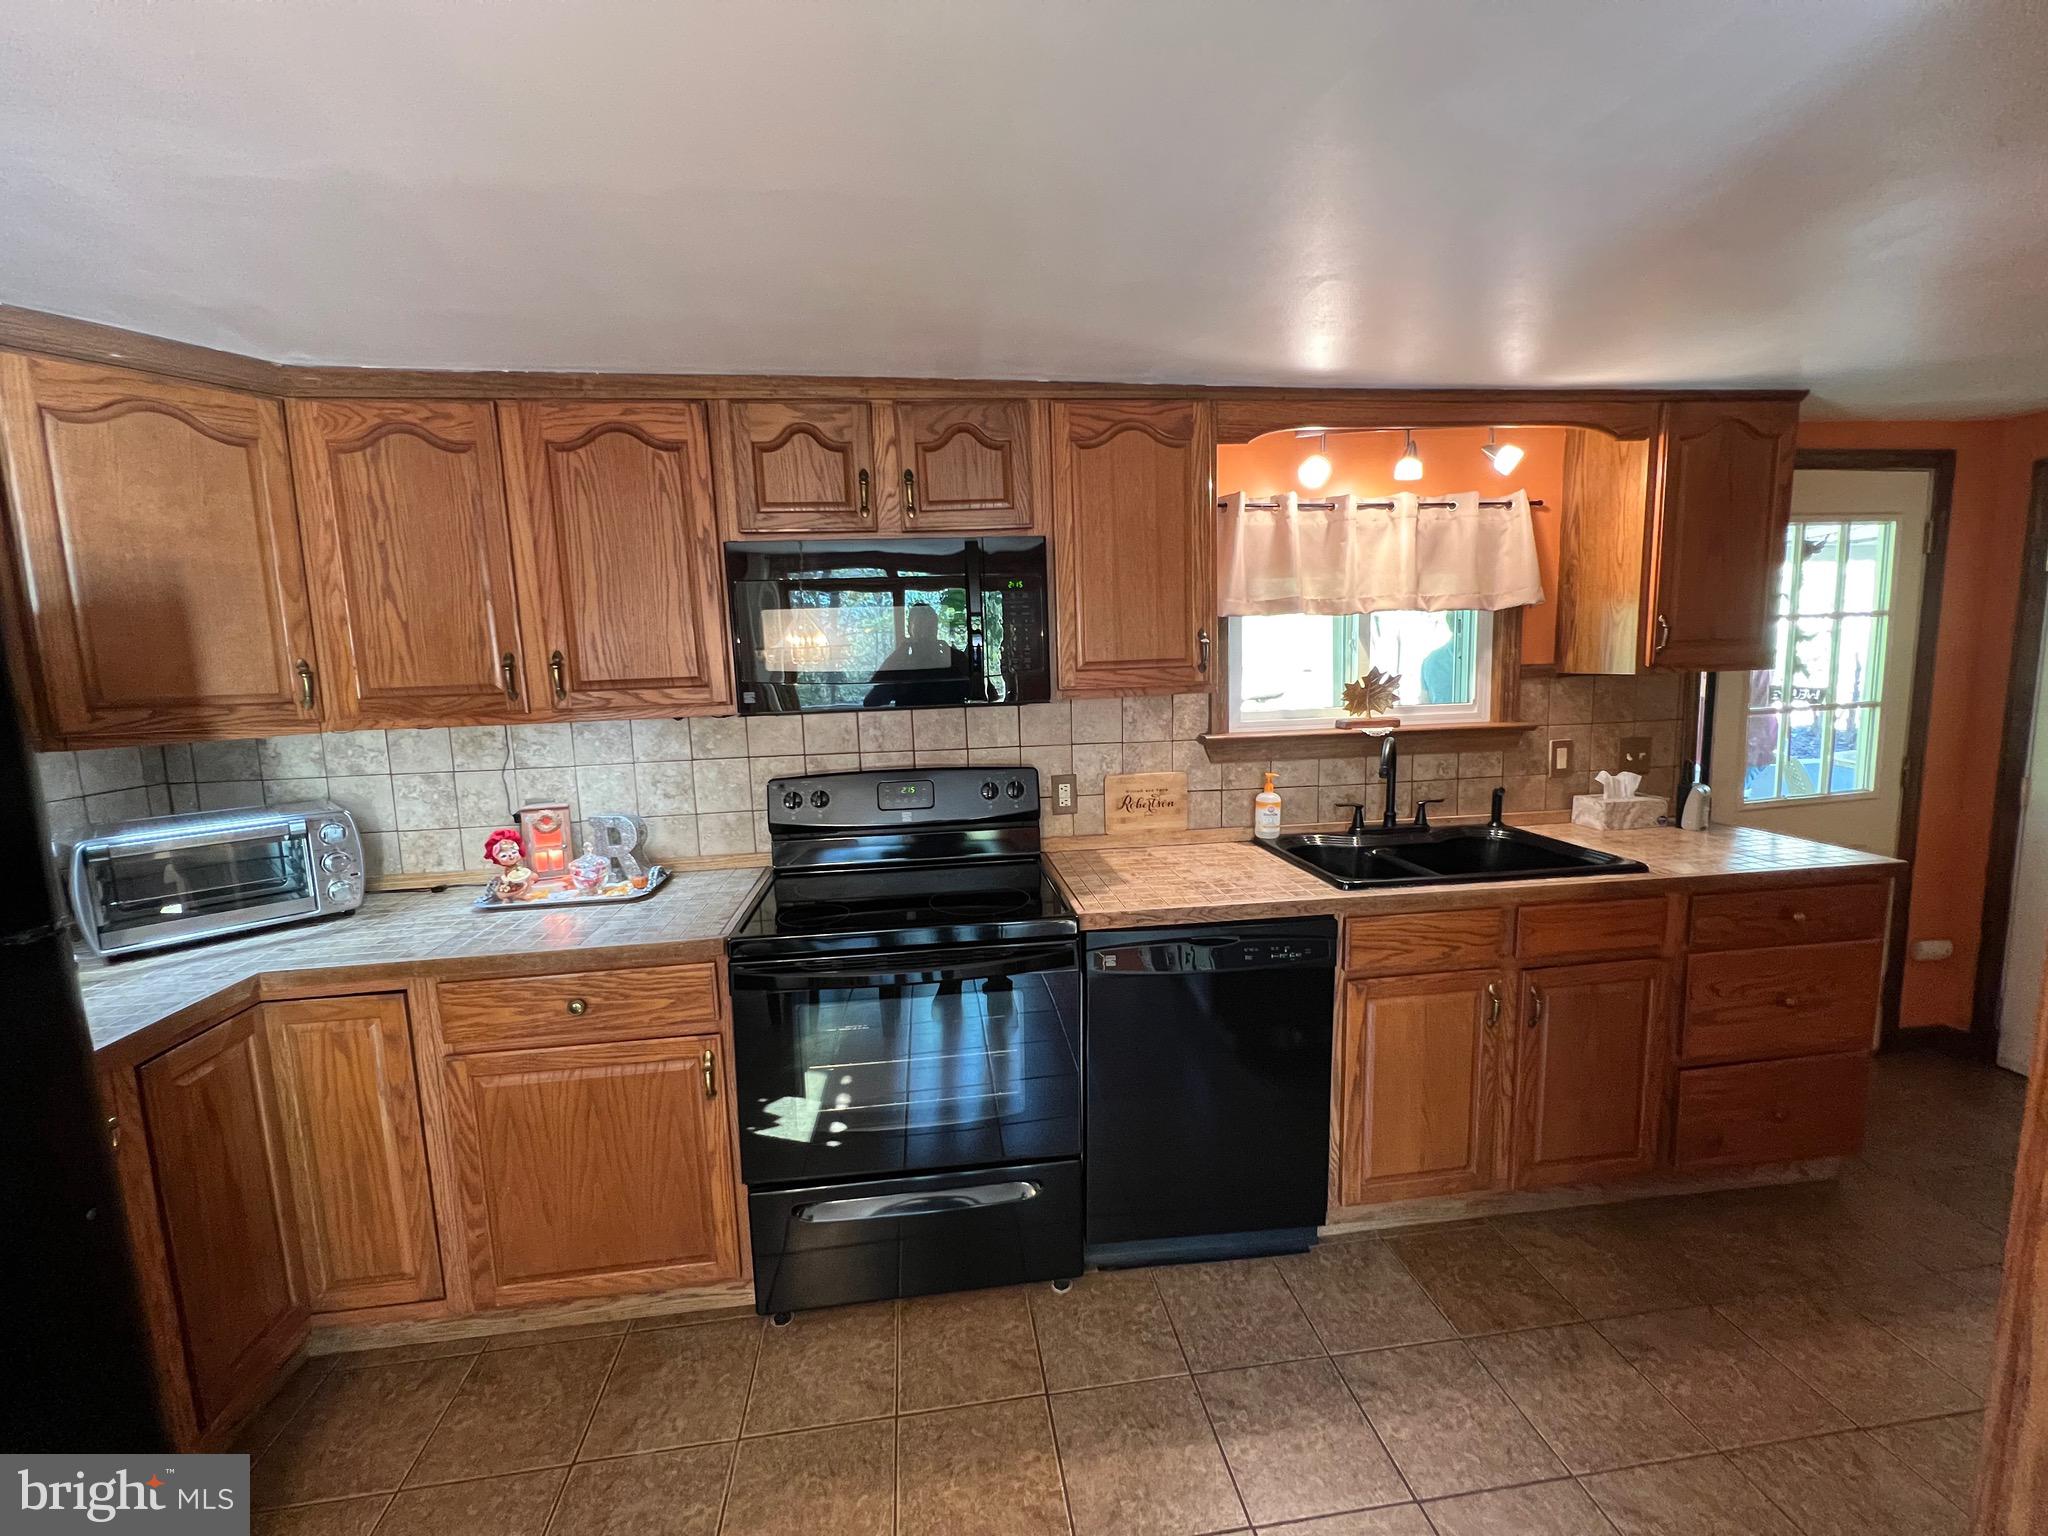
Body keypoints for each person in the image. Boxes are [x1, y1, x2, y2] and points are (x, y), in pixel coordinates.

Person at [863, 602, 972, 707]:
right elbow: (872, 701)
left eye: (929, 628)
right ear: (909, 630)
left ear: (936, 630)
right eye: (919, 627)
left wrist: (954, 655)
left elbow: (976, 693)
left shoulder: (950, 663)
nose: (924, 634)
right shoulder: (902, 667)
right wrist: (898, 655)